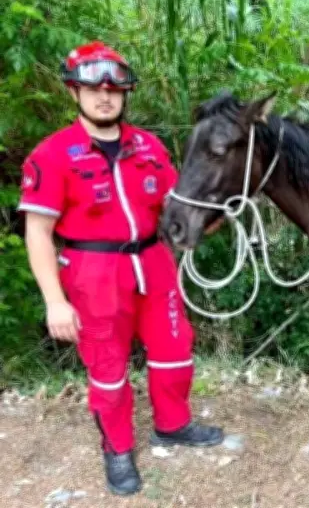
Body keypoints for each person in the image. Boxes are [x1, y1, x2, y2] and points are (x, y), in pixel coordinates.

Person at [17, 41, 224, 496]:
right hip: (93, 271)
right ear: (75, 93)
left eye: (114, 89)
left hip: (153, 260)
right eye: (93, 89)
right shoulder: (51, 155)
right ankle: (117, 449)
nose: (105, 97)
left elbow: (177, 208)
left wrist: (219, 211)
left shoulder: (147, 146)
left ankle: (173, 424)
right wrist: (55, 301)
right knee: (107, 365)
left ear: (125, 92)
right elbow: (37, 233)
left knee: (175, 348)